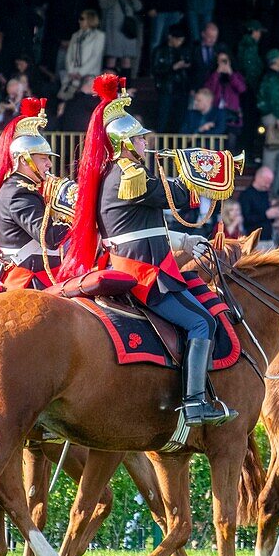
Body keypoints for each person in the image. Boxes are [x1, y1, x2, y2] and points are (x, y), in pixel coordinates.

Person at [60, 74, 234, 427]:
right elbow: (176, 196)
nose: (145, 143)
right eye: (140, 138)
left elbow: (151, 220)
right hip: (144, 272)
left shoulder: (118, 172)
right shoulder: (129, 175)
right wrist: (207, 170)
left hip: (144, 263)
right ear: (125, 143)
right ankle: (194, 401)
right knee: (202, 323)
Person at [0, 97, 67, 289]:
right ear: (24, 160)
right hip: (29, 280)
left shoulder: (20, 188)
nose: (49, 164)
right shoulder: (20, 193)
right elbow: (49, 237)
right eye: (43, 159)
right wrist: (74, 216)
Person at [98, 0, 143, 81]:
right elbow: (104, 4)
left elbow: (138, 7)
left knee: (126, 59)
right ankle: (108, 87)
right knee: (111, 58)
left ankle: (125, 89)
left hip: (127, 28)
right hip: (112, 27)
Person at [150, 23, 190, 132]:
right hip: (165, 89)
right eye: (177, 39)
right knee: (163, 120)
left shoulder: (183, 50)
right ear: (170, 37)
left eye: (181, 40)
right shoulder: (159, 51)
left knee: (178, 121)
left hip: (181, 90)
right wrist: (173, 67)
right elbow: (155, 70)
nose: (179, 43)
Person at [60, 10, 105, 100]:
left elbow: (95, 57)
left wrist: (81, 72)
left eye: (82, 18)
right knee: (67, 98)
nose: (79, 21)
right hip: (72, 75)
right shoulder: (75, 35)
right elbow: (69, 55)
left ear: (90, 19)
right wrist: (71, 71)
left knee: (83, 99)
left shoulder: (99, 36)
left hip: (89, 74)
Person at [257, 49, 279, 168]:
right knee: (273, 145)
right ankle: (269, 174)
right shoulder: (274, 78)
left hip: (268, 114)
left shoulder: (267, 76)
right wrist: (278, 117)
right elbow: (275, 99)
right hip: (273, 115)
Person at [239, 166, 277, 246]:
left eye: (270, 183)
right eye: (266, 182)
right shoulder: (246, 195)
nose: (268, 185)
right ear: (258, 178)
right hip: (255, 240)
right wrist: (266, 215)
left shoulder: (266, 194)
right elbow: (246, 219)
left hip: (269, 238)